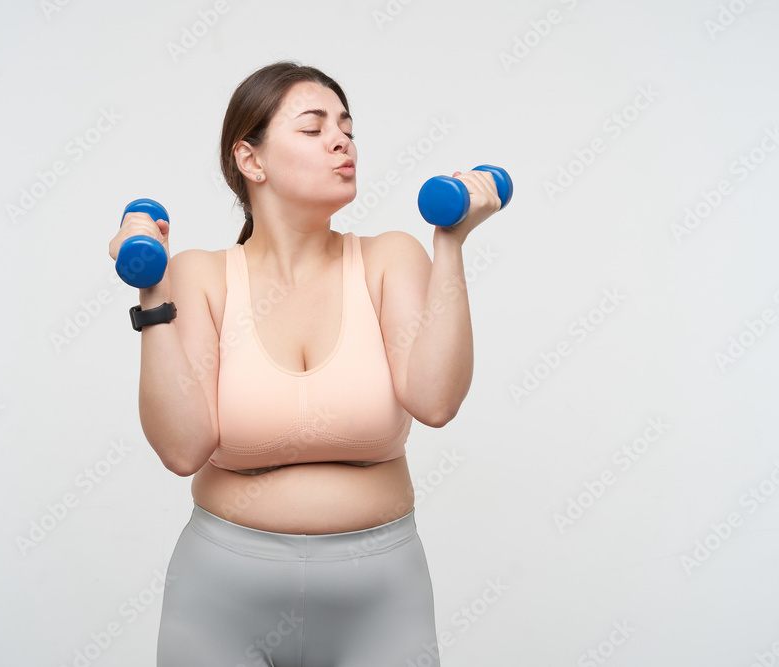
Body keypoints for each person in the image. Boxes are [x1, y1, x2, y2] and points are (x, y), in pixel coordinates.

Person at [108, 61, 501, 667]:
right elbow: (182, 450)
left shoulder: (389, 259)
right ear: (251, 160)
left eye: (346, 126)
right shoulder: (199, 275)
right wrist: (151, 290)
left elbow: (436, 401)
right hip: (221, 597)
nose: (341, 140)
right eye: (313, 128)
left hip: (381, 594)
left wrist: (450, 245)